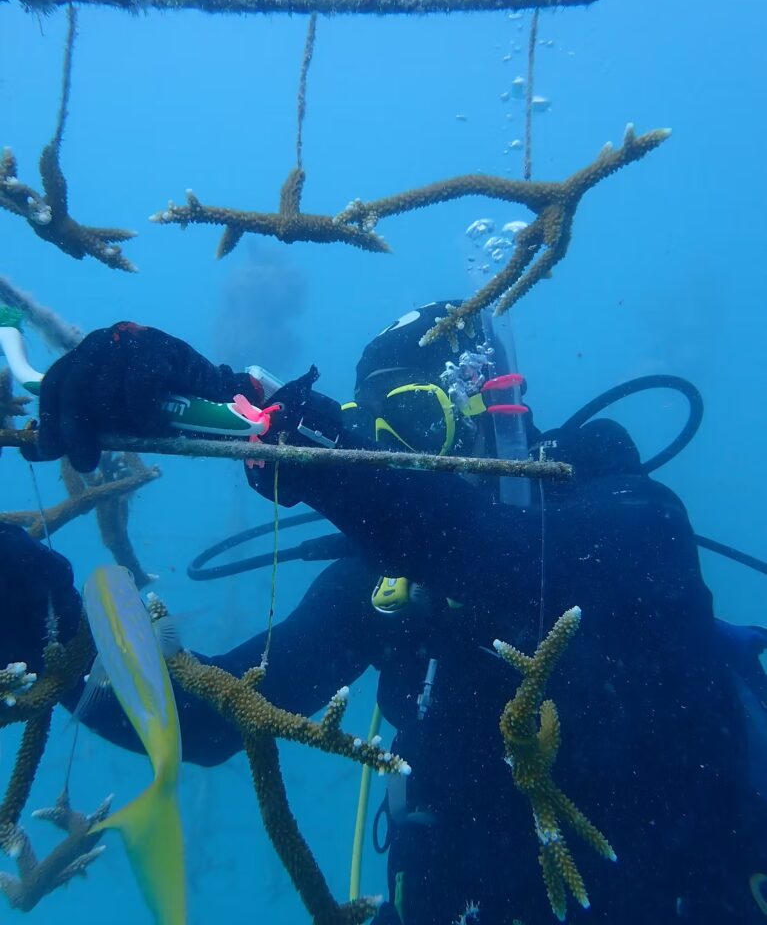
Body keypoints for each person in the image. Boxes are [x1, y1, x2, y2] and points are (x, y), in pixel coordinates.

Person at [3, 304, 767, 924]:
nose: (395, 444)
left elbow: (500, 556)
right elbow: (205, 721)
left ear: (489, 403)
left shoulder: (628, 513)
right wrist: (40, 615)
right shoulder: (388, 584)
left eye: (415, 413)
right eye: (375, 421)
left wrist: (287, 427)